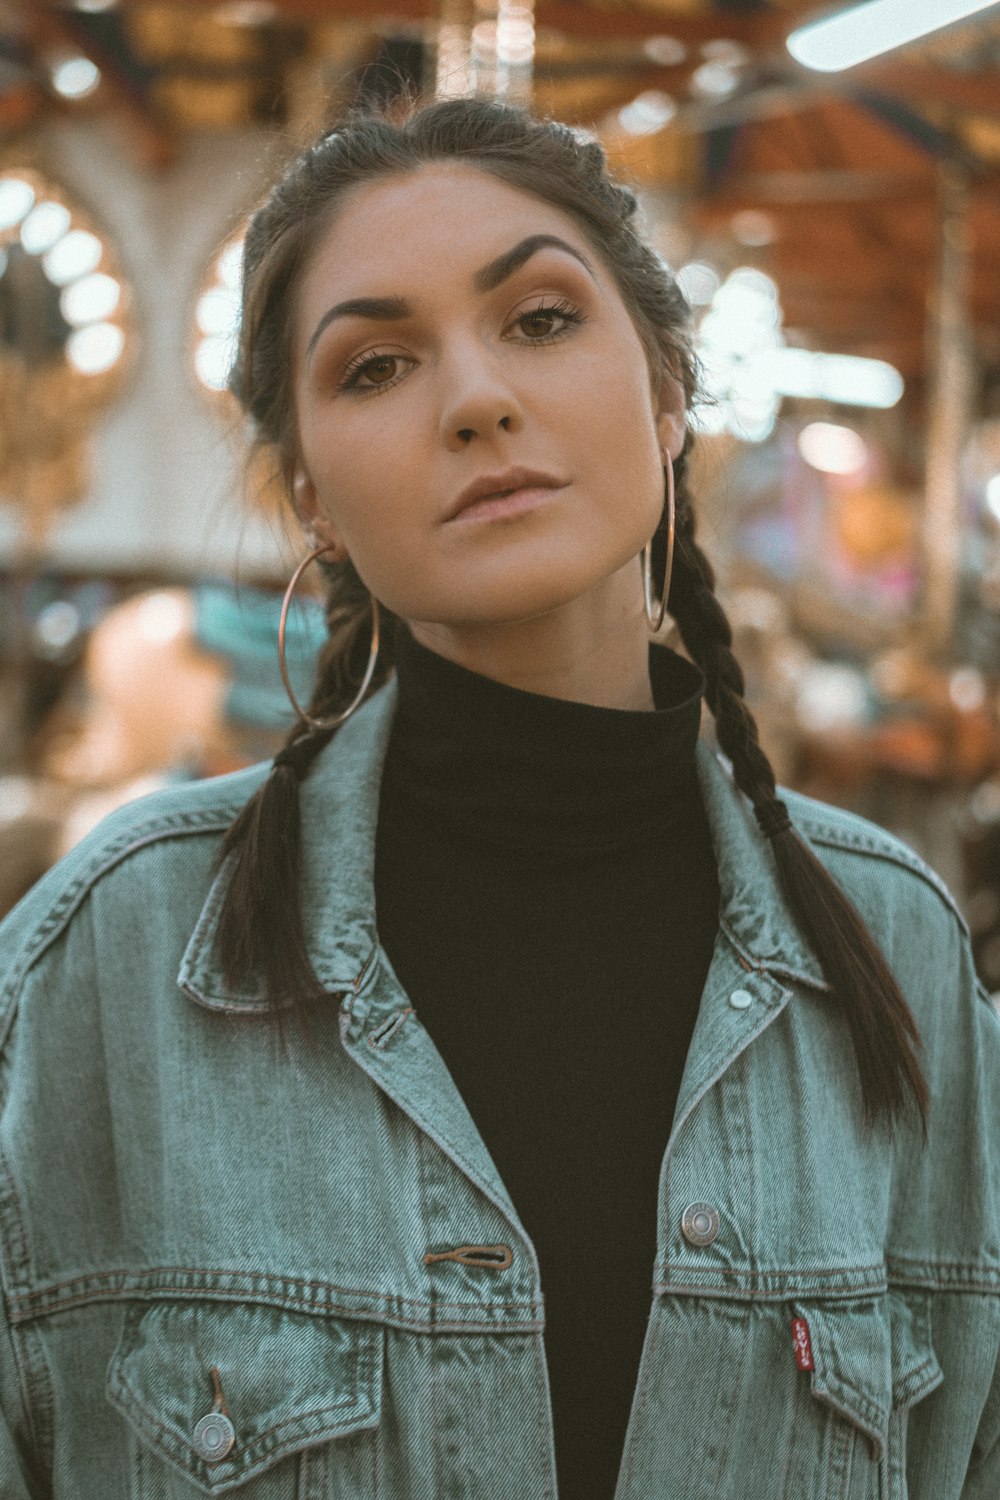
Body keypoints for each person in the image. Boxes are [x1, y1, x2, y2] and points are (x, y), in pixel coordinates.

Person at [0, 94, 996, 1500]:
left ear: (665, 397)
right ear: (313, 505)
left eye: (538, 319)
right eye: (376, 366)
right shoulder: (108, 965)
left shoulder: (892, 954)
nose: (476, 399)